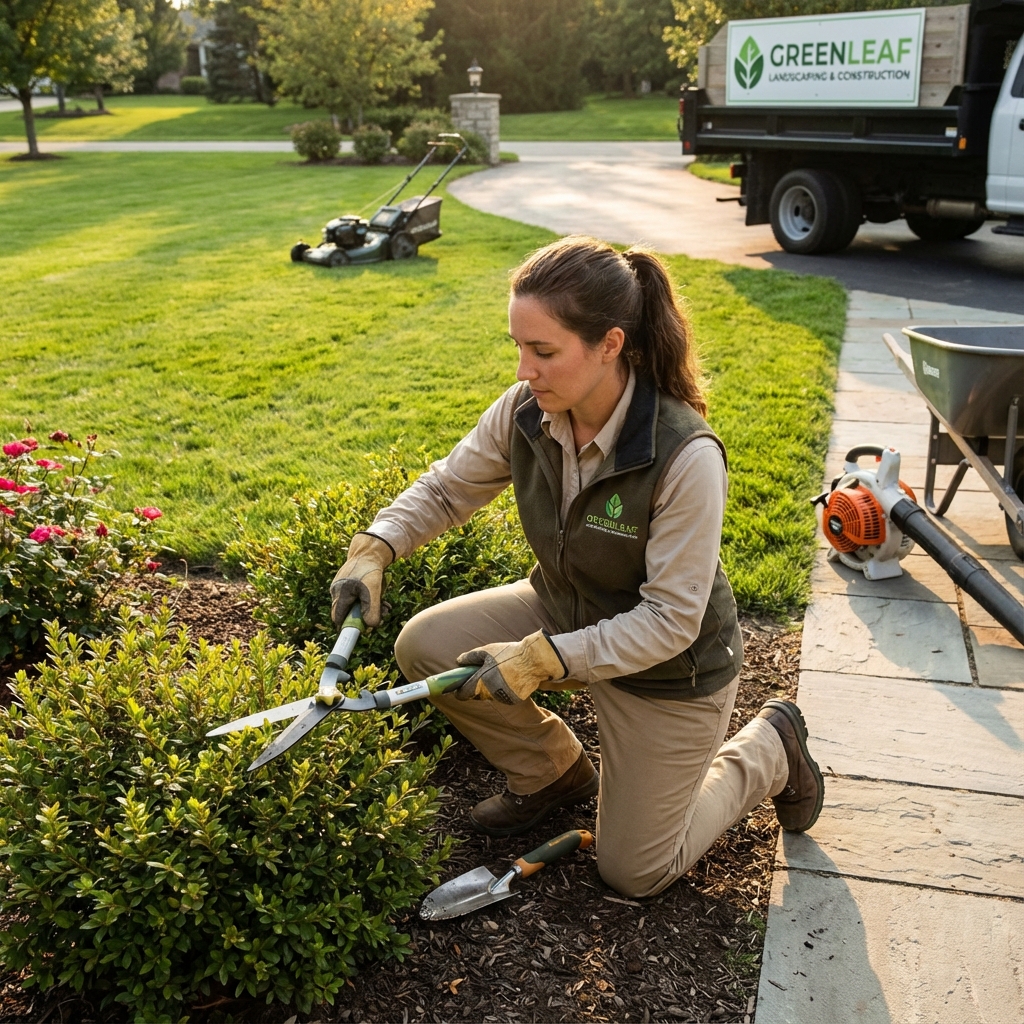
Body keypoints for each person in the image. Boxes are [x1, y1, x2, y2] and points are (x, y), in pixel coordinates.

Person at [329, 236, 824, 898]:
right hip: (567, 614)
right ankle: (552, 772)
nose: (524, 369)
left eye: (544, 351)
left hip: (668, 671)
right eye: (518, 346)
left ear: (610, 345)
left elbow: (671, 620)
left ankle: (770, 748)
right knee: (425, 645)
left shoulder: (683, 455)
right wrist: (375, 547)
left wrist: (541, 661)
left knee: (635, 872)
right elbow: (449, 488)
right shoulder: (527, 412)